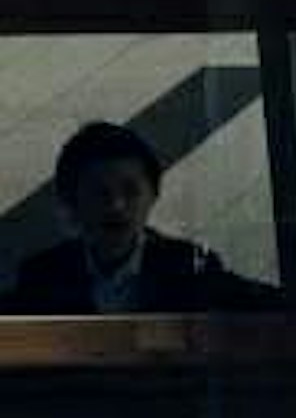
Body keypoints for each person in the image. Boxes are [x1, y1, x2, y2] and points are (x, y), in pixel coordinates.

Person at [8, 118, 273, 313]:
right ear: (72, 201)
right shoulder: (44, 276)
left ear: (153, 194)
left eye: (131, 191)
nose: (116, 206)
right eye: (100, 193)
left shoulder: (187, 268)